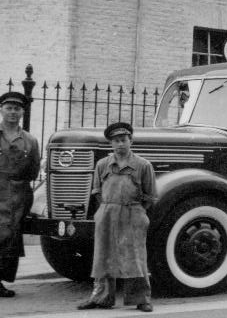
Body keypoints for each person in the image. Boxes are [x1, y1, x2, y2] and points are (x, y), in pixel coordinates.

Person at [77, 122, 156, 313]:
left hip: (132, 213)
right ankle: (101, 297)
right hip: (107, 214)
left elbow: (150, 196)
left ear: (131, 141)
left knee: (135, 257)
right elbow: (97, 192)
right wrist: (107, 210)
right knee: (103, 256)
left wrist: (137, 212)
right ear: (111, 144)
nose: (120, 144)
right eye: (116, 141)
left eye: (123, 140)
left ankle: (141, 299)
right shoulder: (103, 164)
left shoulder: (143, 165)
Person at [0, 90, 40, 302]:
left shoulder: (29, 140)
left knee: (10, 240)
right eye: (9, 108)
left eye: (17, 108)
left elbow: (33, 171)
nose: (13, 112)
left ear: (23, 111)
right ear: (1, 109)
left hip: (18, 195)